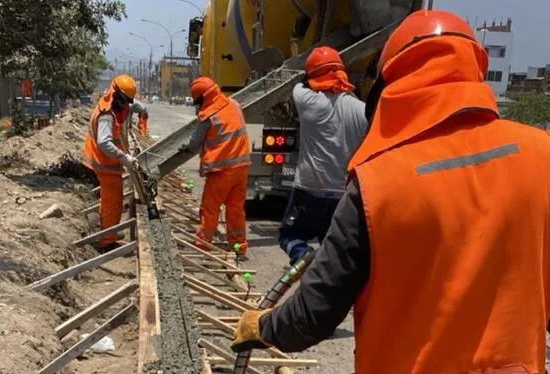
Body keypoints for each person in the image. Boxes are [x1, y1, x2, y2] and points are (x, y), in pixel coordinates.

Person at [231, 9, 550, 374]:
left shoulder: (378, 185)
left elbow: (313, 314)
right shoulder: (542, 156)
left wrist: (264, 327)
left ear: (389, 86)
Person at [279, 46, 367, 265]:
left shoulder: (307, 101)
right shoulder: (362, 110)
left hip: (309, 189)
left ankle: (302, 256)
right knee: (332, 245)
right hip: (343, 194)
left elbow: (298, 84)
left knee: (289, 235)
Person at [179, 76, 251, 258]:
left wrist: (184, 147)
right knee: (235, 209)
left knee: (210, 209)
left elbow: (194, 144)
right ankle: (239, 247)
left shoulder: (208, 116)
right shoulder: (234, 104)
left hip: (221, 171)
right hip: (241, 167)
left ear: (202, 98)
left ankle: (203, 245)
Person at [82, 74, 145, 252]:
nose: (126, 105)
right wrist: (124, 157)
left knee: (109, 199)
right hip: (105, 163)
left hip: (107, 163)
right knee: (113, 201)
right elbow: (104, 142)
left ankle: (108, 230)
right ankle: (107, 239)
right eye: (125, 101)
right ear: (117, 96)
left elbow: (128, 108)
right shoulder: (107, 116)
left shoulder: (114, 103)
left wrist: (137, 107)